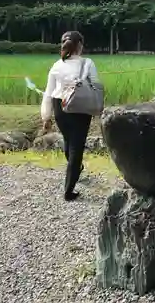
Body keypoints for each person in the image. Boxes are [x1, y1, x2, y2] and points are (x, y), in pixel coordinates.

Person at [41, 31, 100, 201]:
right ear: (80, 44)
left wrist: (46, 116)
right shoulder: (88, 63)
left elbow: (48, 92)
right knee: (76, 147)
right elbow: (96, 85)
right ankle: (69, 190)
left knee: (68, 140)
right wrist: (97, 108)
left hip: (59, 107)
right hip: (80, 108)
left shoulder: (56, 65)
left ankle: (75, 169)